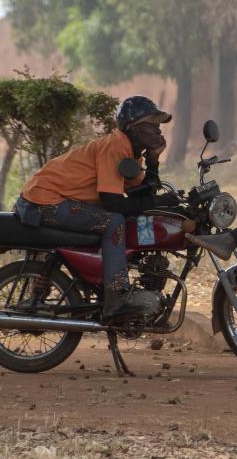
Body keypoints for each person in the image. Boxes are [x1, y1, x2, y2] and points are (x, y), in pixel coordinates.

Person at [14, 95, 181, 323]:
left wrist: (153, 161)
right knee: (113, 221)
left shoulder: (131, 153)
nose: (158, 131)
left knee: (128, 218)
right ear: (133, 127)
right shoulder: (116, 146)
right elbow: (113, 204)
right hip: (44, 200)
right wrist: (161, 202)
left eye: (158, 126)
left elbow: (141, 194)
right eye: (151, 125)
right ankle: (116, 299)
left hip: (56, 199)